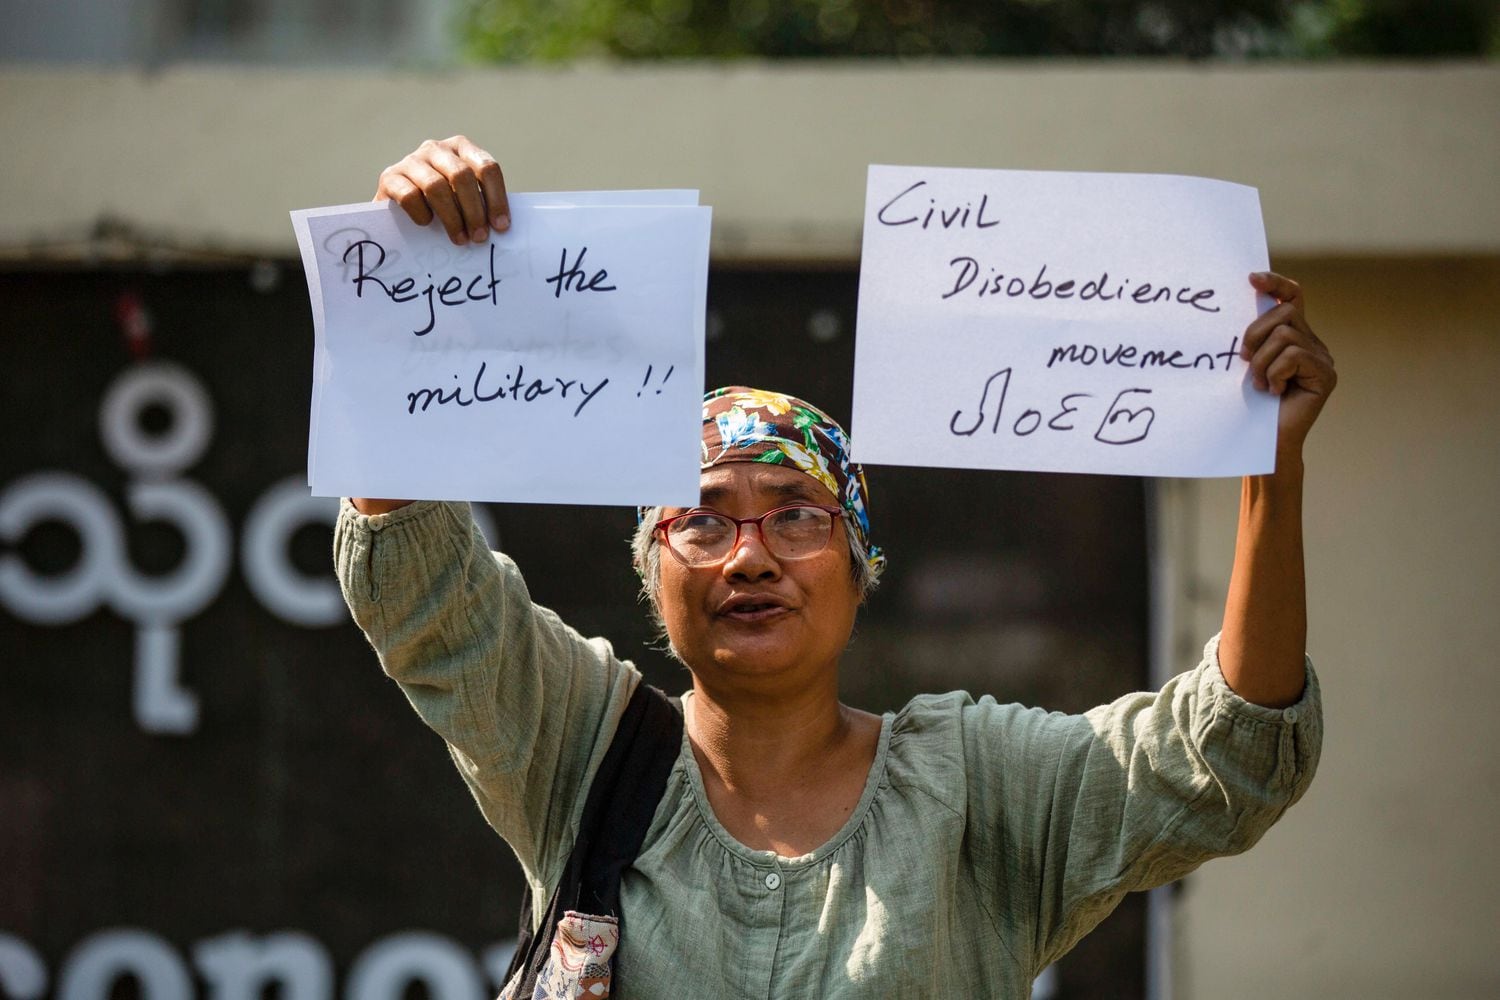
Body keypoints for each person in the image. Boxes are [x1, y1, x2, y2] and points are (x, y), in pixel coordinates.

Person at [336, 136, 1336, 996]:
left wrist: (1269, 468)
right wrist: (409, 276)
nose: (751, 556)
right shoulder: (577, 747)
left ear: (863, 571)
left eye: (799, 518)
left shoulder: (978, 792)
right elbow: (425, 593)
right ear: (655, 575)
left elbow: (1226, 757)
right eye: (704, 521)